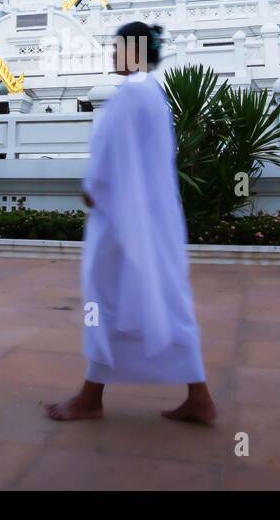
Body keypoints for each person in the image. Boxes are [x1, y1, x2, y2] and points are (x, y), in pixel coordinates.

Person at [46, 21, 216, 424]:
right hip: (153, 222)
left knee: (109, 304)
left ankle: (91, 398)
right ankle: (198, 397)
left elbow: (109, 161)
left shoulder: (130, 97)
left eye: (117, 46)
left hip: (123, 224)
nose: (112, 53)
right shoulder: (153, 95)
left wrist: (91, 189)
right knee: (162, 303)